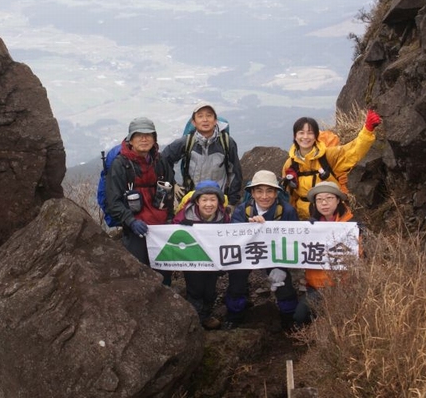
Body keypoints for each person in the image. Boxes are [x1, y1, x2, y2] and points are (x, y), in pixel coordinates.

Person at [225, 170, 299, 330]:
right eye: (259, 191)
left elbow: (294, 242)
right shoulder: (242, 211)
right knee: (236, 282)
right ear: (252, 193)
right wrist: (250, 229)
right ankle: (235, 315)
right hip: (248, 253)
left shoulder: (287, 211)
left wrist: (282, 266)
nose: (264, 196)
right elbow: (234, 239)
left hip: (276, 255)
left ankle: (289, 319)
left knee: (284, 286)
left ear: (276, 193)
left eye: (269, 191)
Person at [105, 117, 174, 286]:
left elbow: (169, 193)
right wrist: (131, 221)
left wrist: (170, 219)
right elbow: (113, 202)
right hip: (136, 230)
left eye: (148, 135)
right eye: (139, 135)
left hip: (161, 229)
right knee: (139, 276)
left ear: (154, 139)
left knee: (164, 275)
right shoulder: (121, 165)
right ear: (130, 139)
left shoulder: (160, 162)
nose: (144, 139)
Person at [281, 109, 382, 220]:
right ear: (295, 136)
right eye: (301, 133)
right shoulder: (290, 164)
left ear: (316, 136)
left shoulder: (328, 156)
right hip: (303, 217)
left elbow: (353, 151)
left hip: (332, 216)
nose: (305, 137)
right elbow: (289, 194)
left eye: (310, 133)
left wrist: (367, 130)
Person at [293, 181, 360, 328]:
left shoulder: (351, 226)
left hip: (344, 287)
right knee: (300, 316)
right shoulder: (308, 227)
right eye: (319, 199)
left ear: (338, 200)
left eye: (329, 198)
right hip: (316, 287)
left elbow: (360, 258)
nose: (324, 203)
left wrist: (359, 236)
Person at [161, 102, 243, 209]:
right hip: (192, 200)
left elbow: (235, 174)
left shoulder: (226, 143)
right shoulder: (186, 142)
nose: (205, 120)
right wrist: (172, 183)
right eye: (200, 116)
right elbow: (163, 160)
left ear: (215, 121)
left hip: (218, 201)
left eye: (209, 115)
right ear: (194, 122)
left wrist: (231, 203)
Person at [173, 180, 230, 330]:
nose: (208, 204)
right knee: (195, 288)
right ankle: (196, 317)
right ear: (197, 201)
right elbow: (173, 233)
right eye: (204, 200)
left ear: (219, 201)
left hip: (212, 260)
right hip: (192, 259)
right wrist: (181, 227)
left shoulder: (223, 216)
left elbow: (229, 238)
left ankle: (206, 314)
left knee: (210, 289)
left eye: (213, 200)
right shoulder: (185, 214)